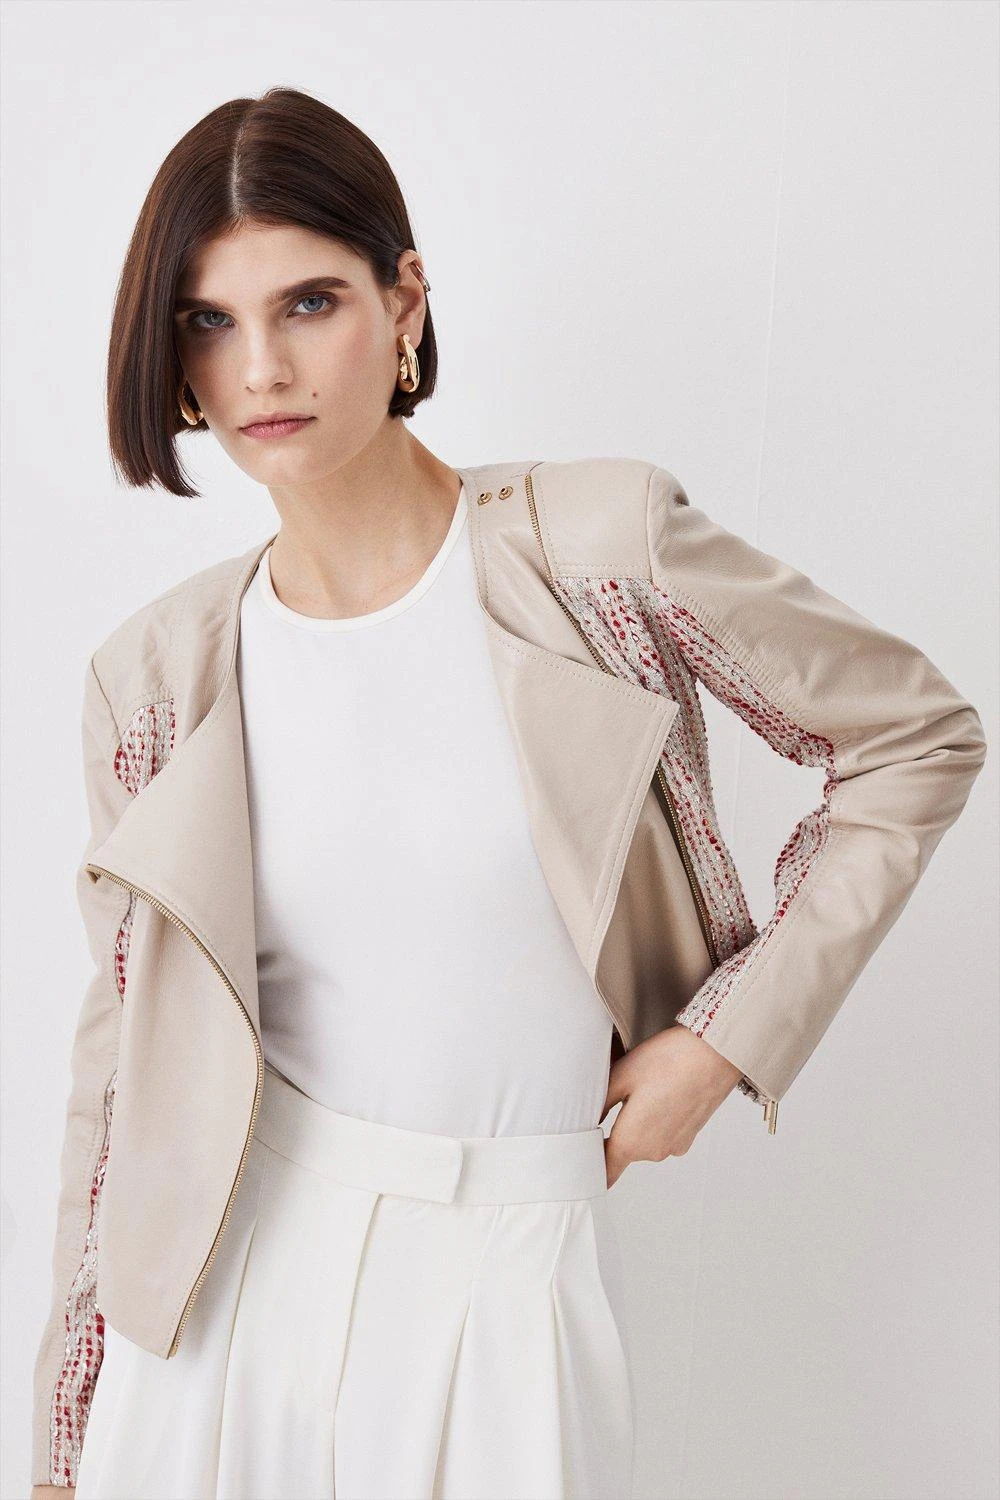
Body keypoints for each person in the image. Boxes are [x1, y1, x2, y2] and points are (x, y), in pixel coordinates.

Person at [30, 86, 986, 1500]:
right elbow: (124, 1066)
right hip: (219, 1300)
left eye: (309, 303)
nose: (261, 369)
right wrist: (64, 1437)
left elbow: (914, 739)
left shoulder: (594, 555)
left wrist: (723, 1041)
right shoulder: (158, 679)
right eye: (209, 322)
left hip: (507, 1277)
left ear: (405, 302)